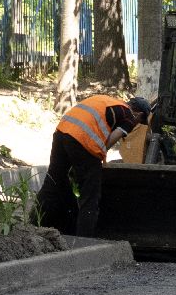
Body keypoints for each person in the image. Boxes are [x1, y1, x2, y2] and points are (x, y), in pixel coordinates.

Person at [35, 94, 152, 236]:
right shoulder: (129, 115)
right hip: (84, 140)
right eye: (141, 120)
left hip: (61, 132)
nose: (138, 123)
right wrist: (96, 160)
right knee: (90, 196)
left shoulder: (107, 100)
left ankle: (33, 225)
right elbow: (110, 141)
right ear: (138, 114)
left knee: (53, 182)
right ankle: (83, 243)